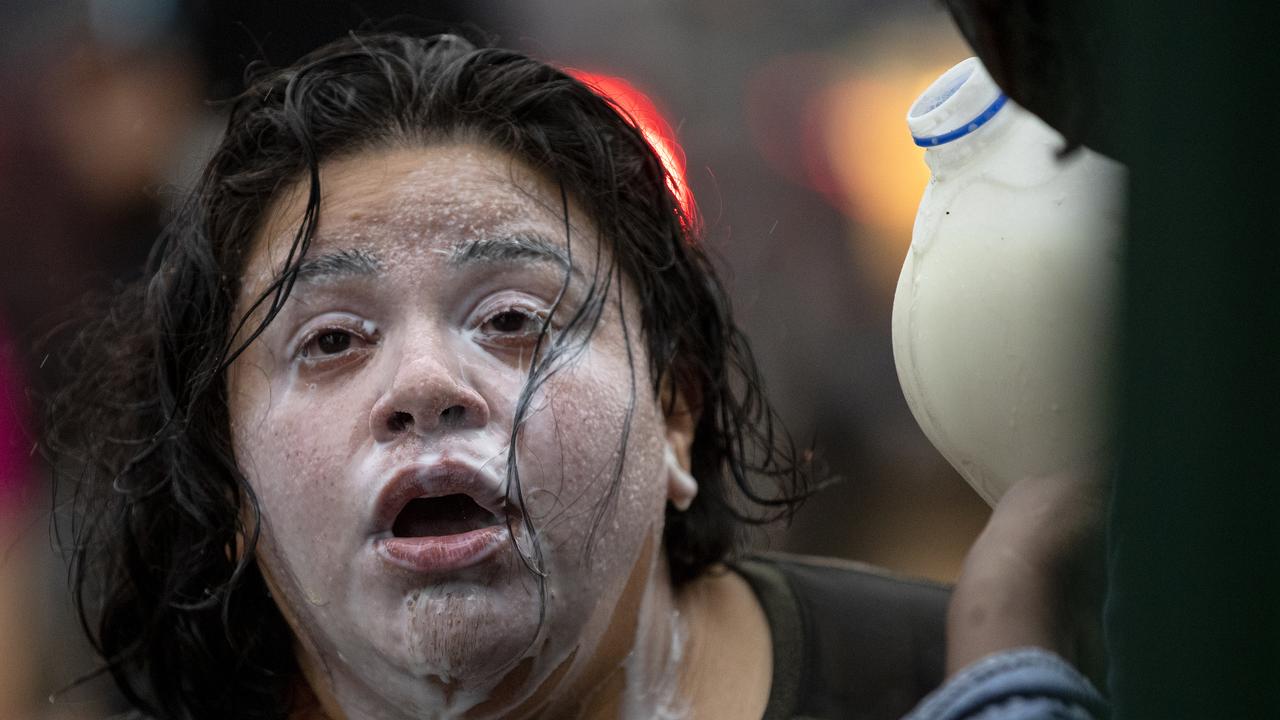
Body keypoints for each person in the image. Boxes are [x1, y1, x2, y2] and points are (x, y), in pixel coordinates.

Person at [44, 33, 1107, 720]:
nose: (424, 383)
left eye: (511, 318)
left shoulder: (963, 682)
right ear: (225, 481)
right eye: (329, 340)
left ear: (675, 417)